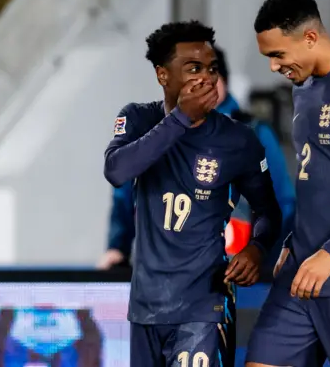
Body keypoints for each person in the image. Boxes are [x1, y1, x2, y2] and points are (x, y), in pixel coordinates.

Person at [103, 21, 282, 367]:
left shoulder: (239, 140)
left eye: (212, 68)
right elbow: (116, 171)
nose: (207, 77)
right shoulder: (138, 119)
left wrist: (257, 249)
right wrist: (181, 119)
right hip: (145, 308)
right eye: (193, 68)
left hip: (204, 306)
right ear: (162, 75)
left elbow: (269, 212)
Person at [98, 47, 296, 271]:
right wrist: (117, 247)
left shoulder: (253, 133)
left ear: (224, 81)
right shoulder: (157, 130)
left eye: (211, 75)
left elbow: (281, 202)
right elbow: (125, 193)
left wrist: (266, 258)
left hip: (235, 272)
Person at [245, 0, 330, 367]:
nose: (273, 67)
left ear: (311, 38)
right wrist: (294, 235)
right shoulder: (303, 89)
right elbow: (318, 175)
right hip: (301, 268)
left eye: (277, 55)